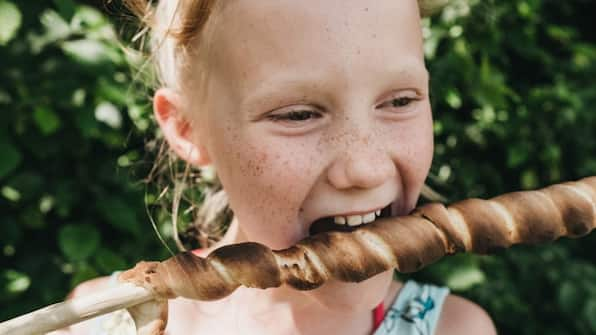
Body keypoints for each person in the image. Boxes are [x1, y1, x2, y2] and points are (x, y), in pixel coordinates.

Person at [53, 0, 497, 334]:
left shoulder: (455, 329)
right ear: (188, 129)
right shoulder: (104, 322)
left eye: (400, 101)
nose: (366, 169)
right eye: (298, 114)